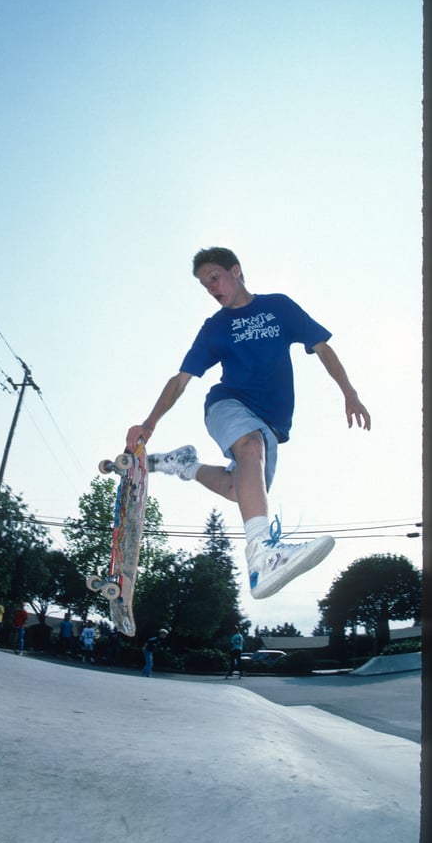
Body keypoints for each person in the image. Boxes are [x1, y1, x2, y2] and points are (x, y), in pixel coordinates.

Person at [126, 246, 371, 602]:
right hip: (227, 404)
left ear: (236, 270)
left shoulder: (278, 307)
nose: (211, 288)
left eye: (214, 278)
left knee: (239, 489)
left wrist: (350, 393)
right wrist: (149, 423)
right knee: (250, 446)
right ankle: (263, 554)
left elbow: (322, 348)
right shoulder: (215, 328)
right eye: (204, 285)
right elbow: (180, 380)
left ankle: (184, 465)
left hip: (270, 424)